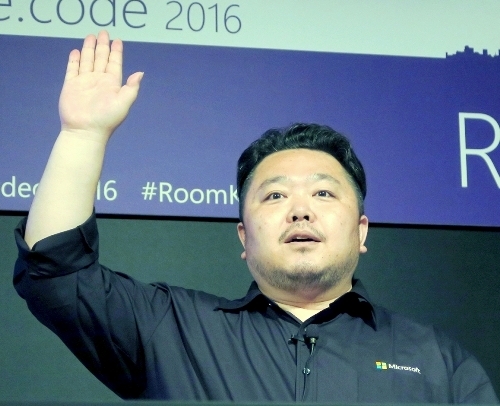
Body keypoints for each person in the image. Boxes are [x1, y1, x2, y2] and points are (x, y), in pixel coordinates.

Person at [14, 31, 498, 403]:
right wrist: (82, 136)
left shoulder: (438, 362)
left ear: (361, 230)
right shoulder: (172, 330)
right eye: (275, 196)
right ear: (243, 237)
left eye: (323, 193)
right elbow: (56, 271)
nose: (300, 209)